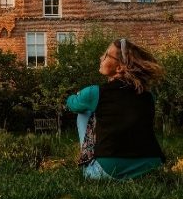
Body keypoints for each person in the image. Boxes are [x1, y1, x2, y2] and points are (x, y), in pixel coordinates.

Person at [66, 37, 166, 180]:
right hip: (152, 166)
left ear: (119, 68)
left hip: (109, 171)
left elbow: (71, 104)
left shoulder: (95, 92)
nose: (101, 57)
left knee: (83, 112)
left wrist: (79, 95)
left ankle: (88, 160)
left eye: (106, 55)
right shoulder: (149, 96)